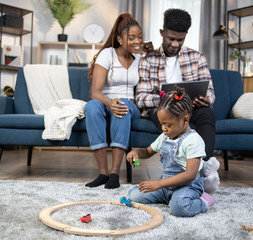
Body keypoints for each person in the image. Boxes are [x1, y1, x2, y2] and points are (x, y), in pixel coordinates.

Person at [135, 8, 220, 193]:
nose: (175, 44)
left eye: (180, 40)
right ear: (161, 33)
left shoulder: (197, 58)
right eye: (170, 38)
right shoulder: (148, 60)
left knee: (207, 113)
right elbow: (141, 97)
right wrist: (166, 99)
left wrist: (206, 100)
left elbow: (211, 92)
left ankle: (204, 168)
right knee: (167, 117)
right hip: (162, 108)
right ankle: (180, 174)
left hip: (190, 107)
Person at [127, 86, 215, 217]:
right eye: (162, 124)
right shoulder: (165, 136)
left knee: (179, 208)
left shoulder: (193, 140)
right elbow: (147, 152)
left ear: (185, 120)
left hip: (188, 186)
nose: (164, 129)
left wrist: (158, 183)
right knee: (134, 195)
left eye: (168, 125)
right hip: (166, 185)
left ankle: (204, 200)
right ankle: (170, 197)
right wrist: (136, 153)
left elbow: (190, 175)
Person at [84, 13, 143, 189]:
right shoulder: (107, 55)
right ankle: (103, 173)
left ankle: (115, 173)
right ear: (119, 38)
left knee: (122, 106)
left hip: (129, 106)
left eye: (139, 37)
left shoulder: (140, 59)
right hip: (105, 101)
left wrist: (116, 104)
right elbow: (95, 92)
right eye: (131, 38)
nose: (137, 41)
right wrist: (110, 103)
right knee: (91, 107)